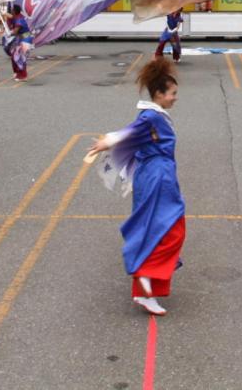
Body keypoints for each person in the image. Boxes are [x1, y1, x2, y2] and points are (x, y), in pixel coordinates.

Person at [86, 58, 186, 317]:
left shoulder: (153, 114)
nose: (175, 98)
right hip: (158, 176)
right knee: (171, 228)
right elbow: (131, 131)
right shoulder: (151, 116)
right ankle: (145, 274)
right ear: (159, 94)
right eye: (172, 94)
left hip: (155, 173)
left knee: (156, 226)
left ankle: (146, 284)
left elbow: (134, 131)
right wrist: (108, 141)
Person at [2, 4, 34, 80]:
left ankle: (23, 76)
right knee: (13, 56)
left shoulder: (19, 20)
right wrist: (2, 13)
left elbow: (15, 32)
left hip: (26, 38)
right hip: (20, 37)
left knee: (20, 57)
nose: (11, 11)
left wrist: (9, 33)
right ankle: (17, 72)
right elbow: (9, 16)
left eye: (12, 10)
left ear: (15, 11)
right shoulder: (17, 16)